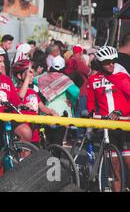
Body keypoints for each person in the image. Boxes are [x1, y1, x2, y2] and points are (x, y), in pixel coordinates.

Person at [87, 46, 130, 192]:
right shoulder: (92, 80)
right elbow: (91, 103)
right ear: (99, 63)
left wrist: (121, 111)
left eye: (113, 61)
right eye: (107, 62)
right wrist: (92, 115)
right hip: (107, 127)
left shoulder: (123, 76)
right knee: (114, 171)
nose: (111, 64)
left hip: (125, 125)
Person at [0, 46, 32, 158]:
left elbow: (15, 101)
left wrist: (22, 104)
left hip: (7, 118)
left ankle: (23, 165)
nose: (3, 64)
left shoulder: (7, 79)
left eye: (3, 61)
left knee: (26, 132)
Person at [34, 55, 79, 146]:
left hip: (47, 111)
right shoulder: (65, 79)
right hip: (62, 113)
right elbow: (76, 92)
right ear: (63, 67)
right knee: (57, 142)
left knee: (47, 141)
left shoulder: (43, 77)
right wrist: (71, 100)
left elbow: (34, 80)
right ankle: (55, 159)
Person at [65, 45, 91, 118]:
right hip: (81, 90)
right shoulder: (78, 61)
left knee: (74, 110)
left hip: (72, 89)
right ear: (80, 52)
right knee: (80, 112)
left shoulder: (70, 60)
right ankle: (77, 129)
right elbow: (88, 72)